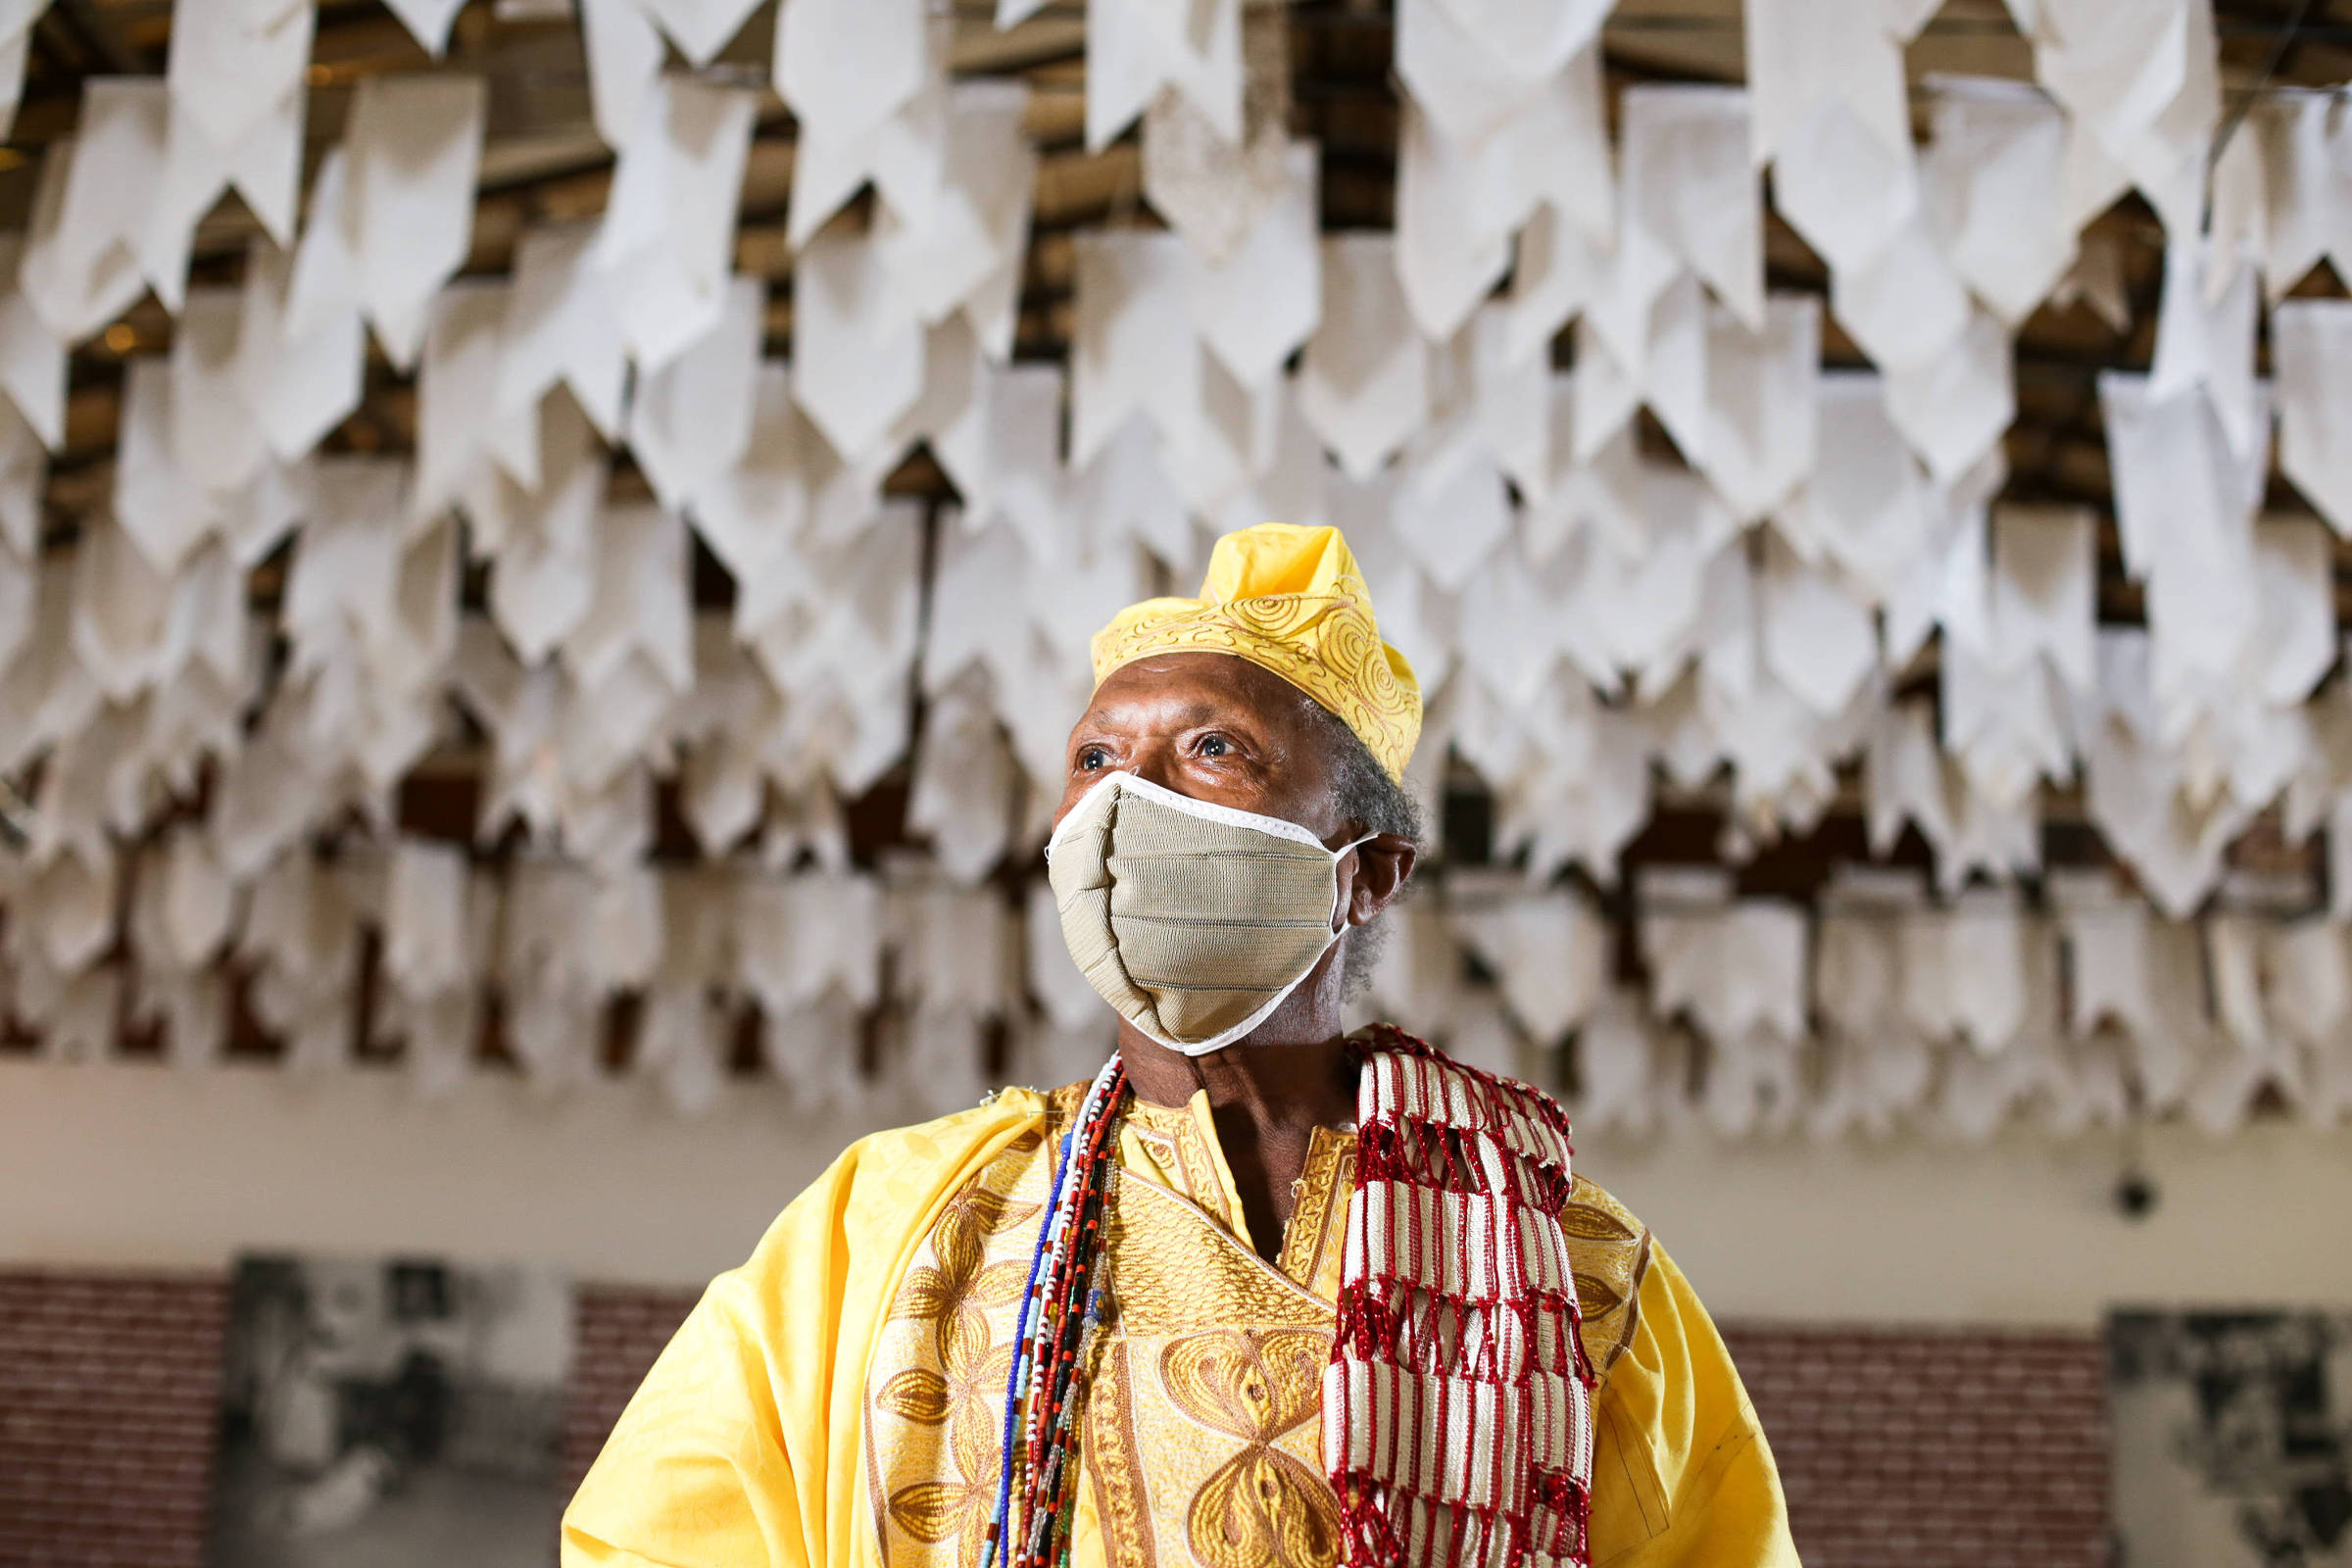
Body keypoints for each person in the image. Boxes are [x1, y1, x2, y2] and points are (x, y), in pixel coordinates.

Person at [563, 523, 1800, 1568]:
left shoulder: (1565, 1264)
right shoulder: (882, 1224)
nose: (1121, 805)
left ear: (1365, 873)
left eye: (1212, 751)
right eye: (1095, 758)